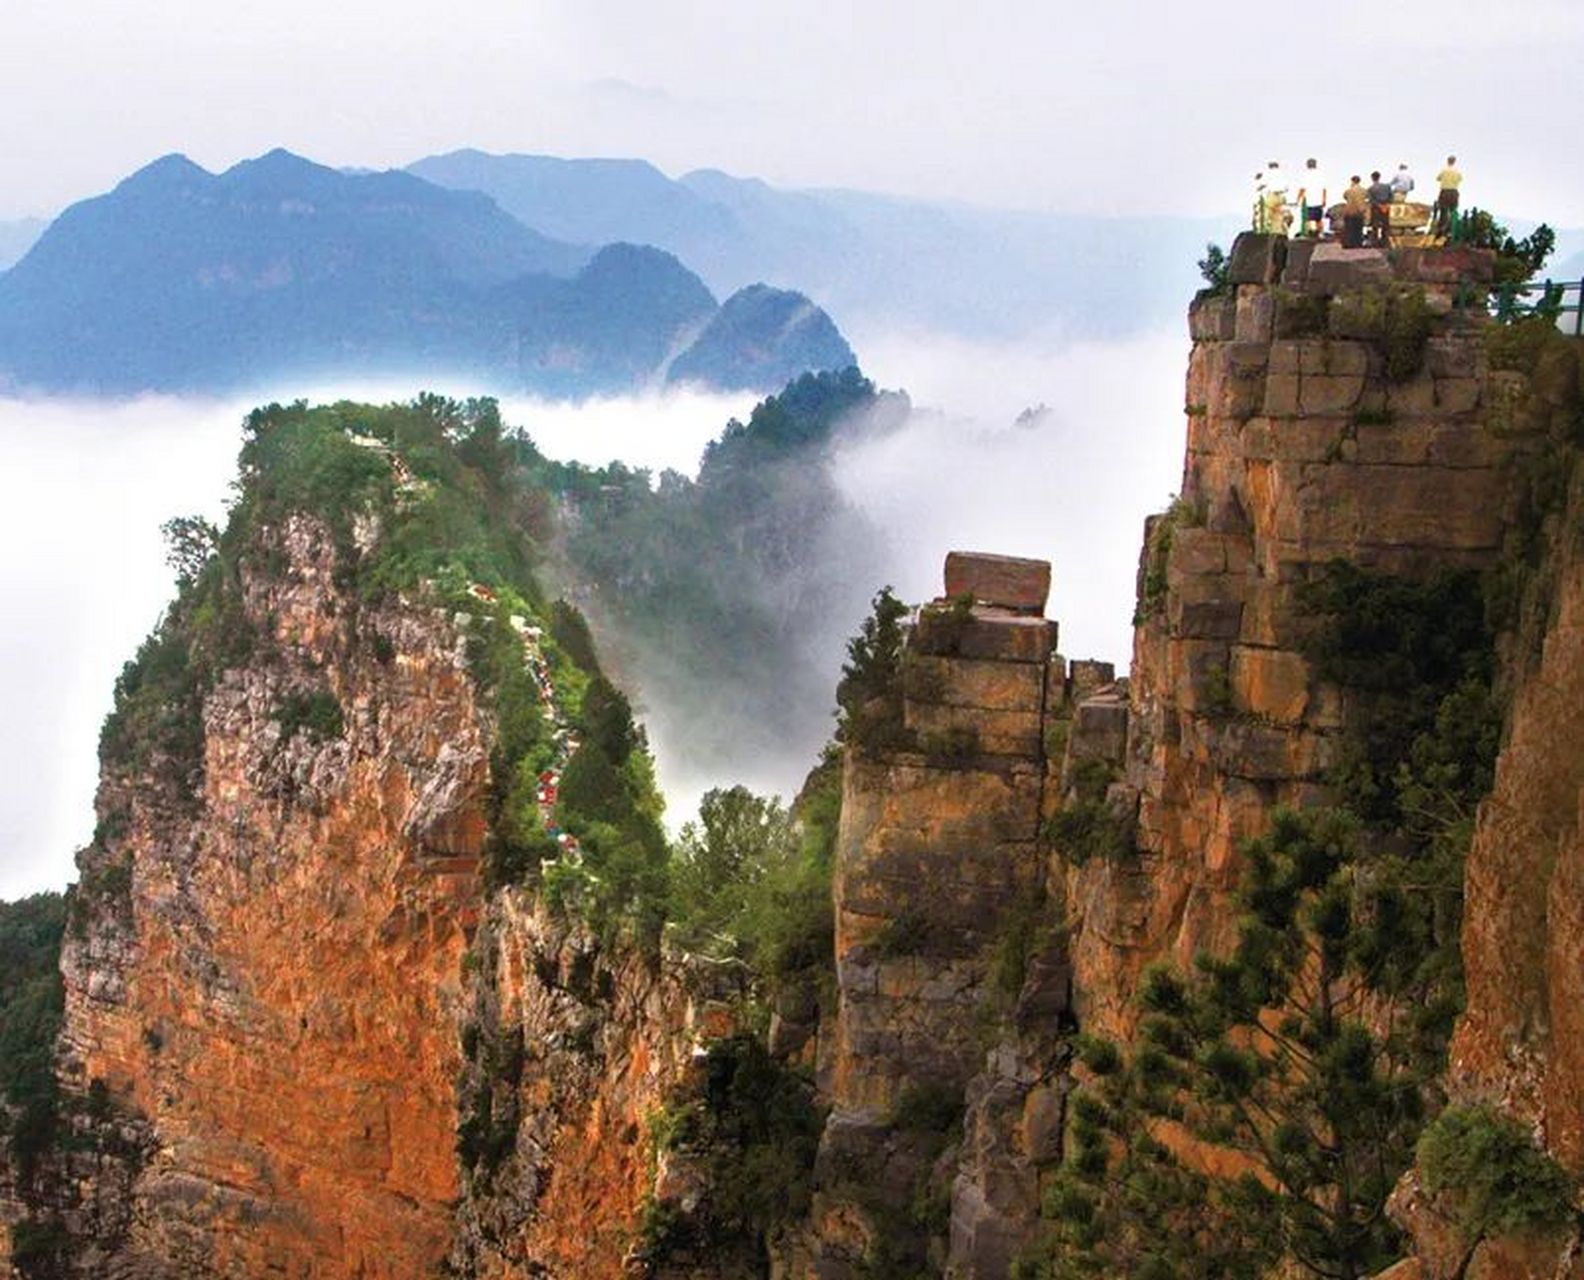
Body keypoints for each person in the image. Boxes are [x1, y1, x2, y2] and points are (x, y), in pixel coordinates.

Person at [1434, 154, 1463, 237]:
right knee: (1452, 212)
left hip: (1444, 192)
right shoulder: (1457, 171)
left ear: (1447, 161)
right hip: (1454, 192)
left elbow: (1438, 179)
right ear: (1454, 161)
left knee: (1443, 211)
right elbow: (1460, 179)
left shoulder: (1444, 170)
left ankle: (1440, 230)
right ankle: (1450, 231)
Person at [1297, 157, 1326, 237]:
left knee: (1307, 219)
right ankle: (1321, 233)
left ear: (1307, 165)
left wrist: (1298, 198)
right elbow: (1324, 189)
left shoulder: (1305, 175)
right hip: (1318, 199)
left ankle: (1308, 233)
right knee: (1318, 219)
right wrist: (1324, 199)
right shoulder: (1320, 174)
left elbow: (1302, 189)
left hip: (1308, 200)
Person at [1367, 170, 1394, 247]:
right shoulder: (1387, 186)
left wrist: (1379, 205)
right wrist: (1387, 205)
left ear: (1372, 178)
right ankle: (1385, 242)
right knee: (1385, 225)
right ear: (1379, 177)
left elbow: (1371, 200)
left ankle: (1375, 243)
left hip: (1376, 208)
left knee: (1375, 226)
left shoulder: (1370, 188)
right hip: (1386, 207)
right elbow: (1391, 196)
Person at [1341, 175, 1369, 249]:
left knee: (1349, 228)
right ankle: (1358, 243)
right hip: (1360, 211)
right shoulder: (1363, 190)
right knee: (1359, 228)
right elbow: (1366, 197)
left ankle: (1349, 243)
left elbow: (1344, 196)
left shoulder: (1348, 190)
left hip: (1350, 211)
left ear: (1352, 181)